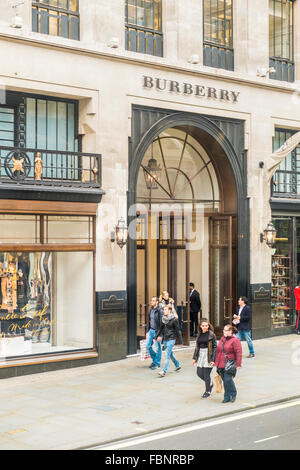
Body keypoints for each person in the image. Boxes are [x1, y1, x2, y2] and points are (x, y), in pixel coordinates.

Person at [214, 324, 242, 403]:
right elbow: (218, 351)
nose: (224, 332)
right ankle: (226, 396)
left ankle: (233, 394)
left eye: (226, 330)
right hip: (221, 363)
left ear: (230, 331)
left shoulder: (235, 340)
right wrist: (215, 362)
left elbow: (238, 353)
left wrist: (238, 364)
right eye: (224, 330)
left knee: (228, 379)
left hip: (229, 363)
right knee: (224, 380)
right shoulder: (222, 339)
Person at [192, 318, 217, 398]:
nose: (205, 327)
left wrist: (213, 359)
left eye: (206, 326)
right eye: (203, 326)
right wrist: (194, 358)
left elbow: (215, 347)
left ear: (208, 326)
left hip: (208, 355)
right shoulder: (199, 334)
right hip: (200, 355)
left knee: (206, 374)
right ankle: (210, 383)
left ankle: (207, 391)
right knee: (199, 373)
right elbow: (197, 347)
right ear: (200, 326)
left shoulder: (211, 334)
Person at [156, 304, 183, 377]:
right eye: (164, 309)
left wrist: (180, 341)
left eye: (165, 310)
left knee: (167, 356)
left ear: (169, 311)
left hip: (171, 339)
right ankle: (177, 365)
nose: (164, 311)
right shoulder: (163, 319)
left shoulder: (174, 319)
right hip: (165, 339)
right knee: (170, 354)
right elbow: (160, 329)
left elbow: (178, 330)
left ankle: (163, 371)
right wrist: (157, 336)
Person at [146, 296, 163, 370]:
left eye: (153, 301)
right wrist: (147, 331)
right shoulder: (151, 310)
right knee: (148, 346)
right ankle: (155, 360)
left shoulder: (160, 311)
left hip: (157, 331)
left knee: (158, 348)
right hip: (151, 330)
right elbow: (149, 321)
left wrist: (160, 335)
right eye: (151, 300)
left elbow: (162, 324)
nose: (151, 302)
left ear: (157, 302)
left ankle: (156, 363)